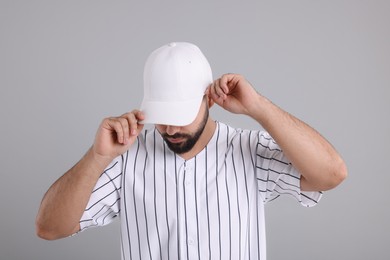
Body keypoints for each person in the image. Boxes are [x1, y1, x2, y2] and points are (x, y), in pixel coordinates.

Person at [36, 42, 347, 260]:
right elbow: (49, 229)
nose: (170, 128)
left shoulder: (248, 150)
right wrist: (98, 156)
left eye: (180, 116)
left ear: (208, 100)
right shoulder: (125, 158)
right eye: (162, 117)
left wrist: (259, 107)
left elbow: (331, 174)